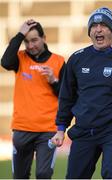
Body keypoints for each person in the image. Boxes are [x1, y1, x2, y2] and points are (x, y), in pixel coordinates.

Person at [51, 7, 112, 179]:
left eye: (103, 25)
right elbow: (67, 97)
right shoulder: (77, 59)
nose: (98, 29)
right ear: (89, 32)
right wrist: (60, 128)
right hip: (83, 130)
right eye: (94, 26)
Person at [1, 19, 65, 179]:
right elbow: (5, 62)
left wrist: (54, 81)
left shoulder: (59, 61)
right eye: (26, 41)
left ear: (44, 38)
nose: (30, 45)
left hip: (48, 130)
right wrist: (20, 34)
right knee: (20, 176)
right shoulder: (20, 58)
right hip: (22, 128)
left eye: (34, 40)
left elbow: (67, 96)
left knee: (43, 174)